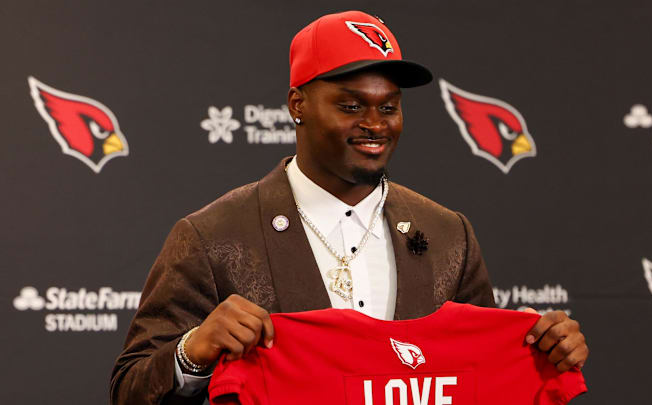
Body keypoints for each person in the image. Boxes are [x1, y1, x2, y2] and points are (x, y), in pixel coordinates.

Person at [111, 10, 588, 405]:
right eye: (351, 106)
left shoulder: (448, 234)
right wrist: (193, 352)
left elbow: (476, 377)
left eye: (389, 107)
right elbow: (128, 389)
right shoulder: (212, 236)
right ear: (298, 104)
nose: (376, 125)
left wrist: (539, 347)